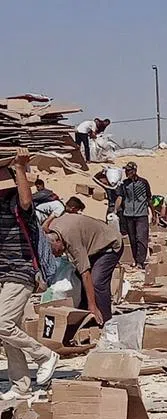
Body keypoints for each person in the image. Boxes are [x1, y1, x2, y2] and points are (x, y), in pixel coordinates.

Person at [0, 152, 58, 400]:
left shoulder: (16, 200)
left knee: (2, 323)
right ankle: (20, 386)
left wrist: (20, 167)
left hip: (21, 270)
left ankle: (44, 355)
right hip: (3, 274)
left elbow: (26, 202)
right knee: (9, 329)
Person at [43, 211, 123, 323]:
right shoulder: (52, 230)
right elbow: (44, 227)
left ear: (57, 241)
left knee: (97, 282)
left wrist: (92, 306)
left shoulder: (71, 240)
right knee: (77, 279)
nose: (58, 254)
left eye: (56, 251)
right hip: (92, 246)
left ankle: (105, 322)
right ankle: (83, 316)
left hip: (110, 245)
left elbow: (85, 273)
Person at [115, 162, 151, 268]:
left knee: (141, 237)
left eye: (129, 171)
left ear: (134, 171)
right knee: (132, 238)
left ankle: (141, 261)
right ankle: (136, 259)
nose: (126, 173)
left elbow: (149, 198)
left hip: (142, 214)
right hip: (128, 214)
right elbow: (120, 197)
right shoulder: (124, 184)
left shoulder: (144, 182)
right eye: (126, 171)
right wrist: (115, 211)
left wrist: (153, 212)